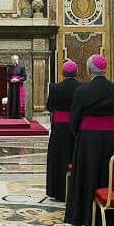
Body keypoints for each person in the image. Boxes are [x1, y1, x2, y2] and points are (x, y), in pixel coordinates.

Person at [64, 54, 114, 226]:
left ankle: (86, 218)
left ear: (89, 70)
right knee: (109, 175)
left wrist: (78, 133)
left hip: (88, 140)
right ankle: (110, 220)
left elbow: (74, 120)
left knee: (87, 175)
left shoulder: (82, 91)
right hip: (112, 139)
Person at [44, 61, 81, 201]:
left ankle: (57, 191)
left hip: (59, 128)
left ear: (62, 73)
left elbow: (49, 107)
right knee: (73, 156)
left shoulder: (55, 87)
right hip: (76, 127)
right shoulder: (82, 87)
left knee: (59, 158)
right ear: (76, 73)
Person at [6, 55, 26, 119]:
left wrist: (18, 80)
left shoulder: (22, 67)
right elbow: (7, 78)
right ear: (11, 60)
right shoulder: (10, 68)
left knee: (18, 99)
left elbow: (25, 77)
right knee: (12, 98)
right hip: (12, 86)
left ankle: (19, 115)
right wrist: (11, 80)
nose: (14, 61)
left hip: (19, 85)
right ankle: (11, 115)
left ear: (18, 60)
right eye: (13, 60)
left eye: (16, 60)